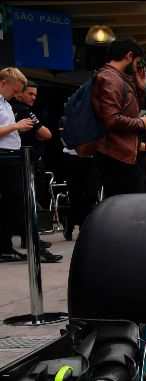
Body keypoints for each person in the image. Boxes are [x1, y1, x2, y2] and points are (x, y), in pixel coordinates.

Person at [0, 68, 61, 263]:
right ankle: (36, 247)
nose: (17, 94)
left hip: (13, 157)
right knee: (21, 204)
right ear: (3, 83)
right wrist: (16, 126)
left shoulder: (6, 104)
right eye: (15, 90)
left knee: (10, 206)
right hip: (4, 159)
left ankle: (4, 247)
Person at [92, 34, 146, 198]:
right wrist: (141, 124)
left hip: (119, 154)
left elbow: (129, 110)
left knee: (126, 209)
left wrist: (140, 89)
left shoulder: (116, 78)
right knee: (133, 210)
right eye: (137, 62)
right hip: (116, 155)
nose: (137, 67)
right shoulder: (111, 79)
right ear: (128, 56)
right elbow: (111, 119)